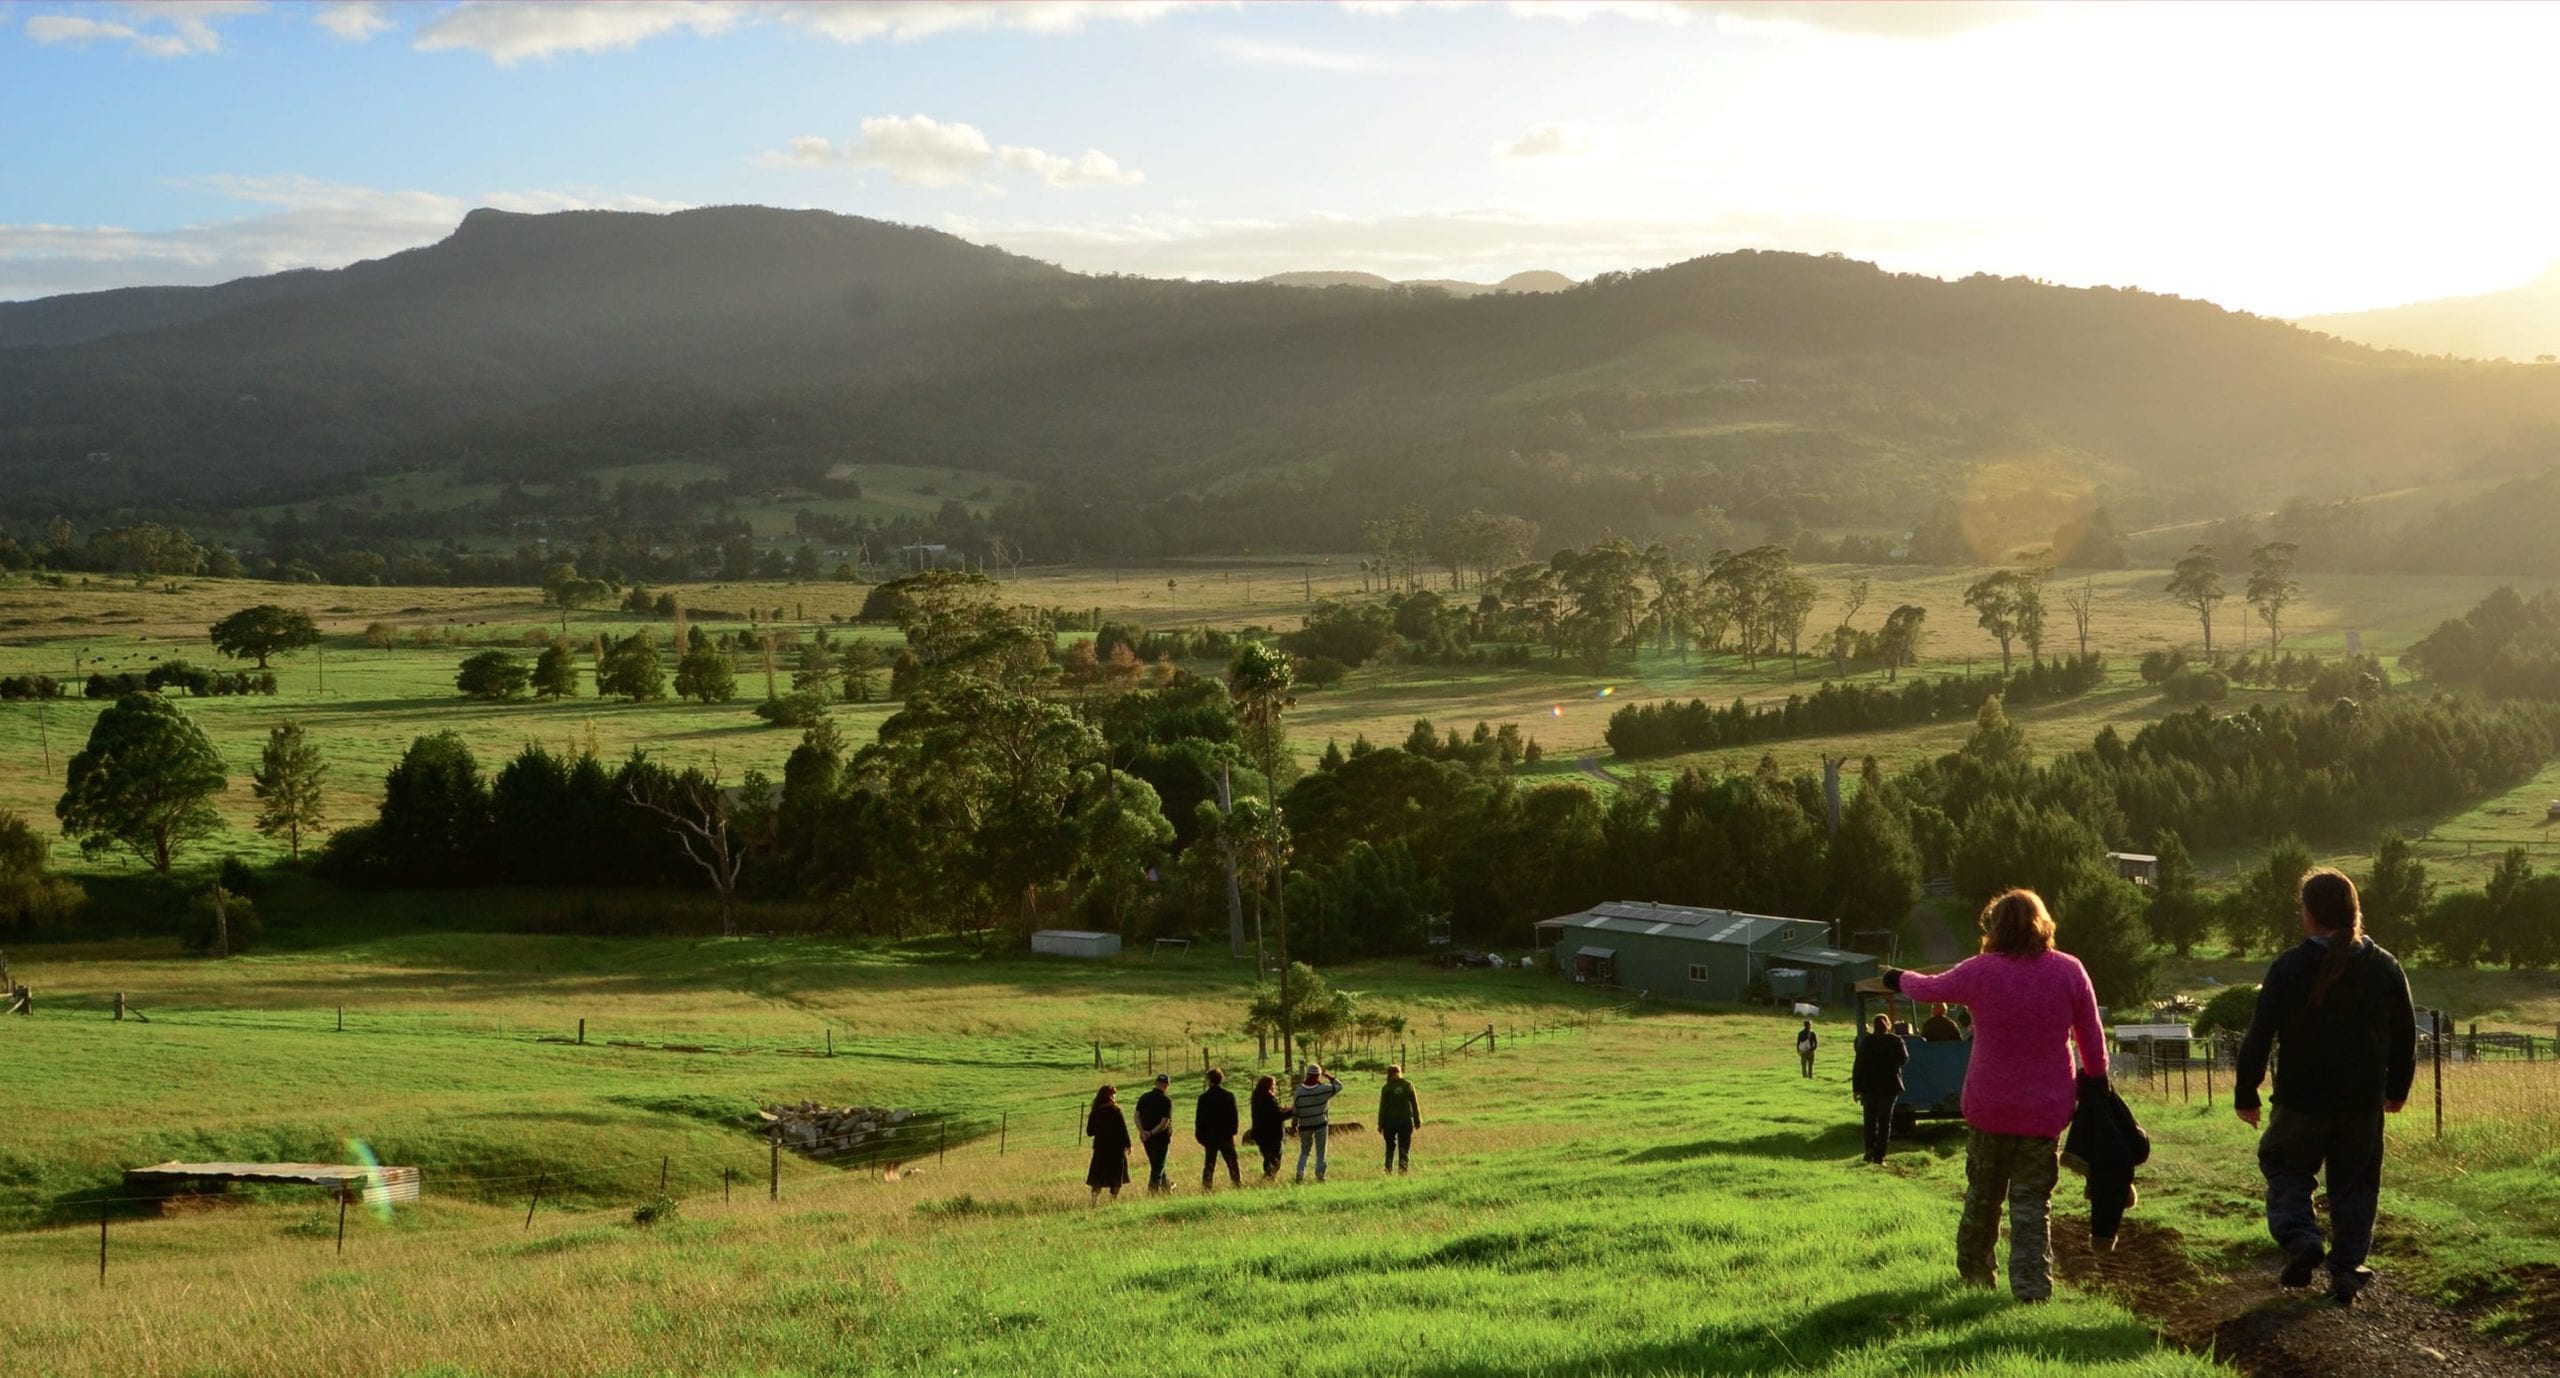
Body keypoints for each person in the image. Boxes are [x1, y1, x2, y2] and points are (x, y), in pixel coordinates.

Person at [1863, 888, 2108, 1303]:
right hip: (2045, 1112)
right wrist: (2098, 1083)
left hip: (1989, 1108)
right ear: (2042, 923)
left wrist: (1895, 978)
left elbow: (1929, 988)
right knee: (2033, 1205)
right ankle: (2032, 1290)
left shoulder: (1981, 971)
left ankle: (1976, 1280)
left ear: (1995, 927)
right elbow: (2091, 1036)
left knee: (1983, 1198)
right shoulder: (2069, 970)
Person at [2234, 868, 2416, 1306]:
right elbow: (2405, 1033)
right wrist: (2398, 1087)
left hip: (2302, 1099)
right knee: (2355, 1185)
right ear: (2355, 912)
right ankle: (2347, 1272)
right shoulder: (2384, 966)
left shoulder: (2291, 966)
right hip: (2362, 1101)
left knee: (2284, 1166)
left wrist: (2247, 1091)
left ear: (2311, 914)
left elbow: (2261, 1033)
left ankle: (2301, 1238)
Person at [1851, 1013, 1909, 1164]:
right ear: (1888, 1025)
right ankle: (1879, 1156)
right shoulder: (1896, 1041)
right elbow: (1904, 1060)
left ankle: (1869, 1150)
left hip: (1869, 1087)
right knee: (1884, 1122)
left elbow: (1858, 1065)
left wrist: (1856, 1088)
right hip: (1889, 1087)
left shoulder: (1866, 1041)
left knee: (1869, 1120)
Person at [1292, 1063, 1342, 1183]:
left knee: (1305, 1151)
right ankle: (1320, 1175)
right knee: (1321, 1151)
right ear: (1318, 1075)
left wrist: (1294, 1124)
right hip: (1321, 1124)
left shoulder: (1299, 1090)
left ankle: (1300, 1172)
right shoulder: (1324, 1089)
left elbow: (1296, 1109)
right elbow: (1339, 1086)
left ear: (1307, 1075)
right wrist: (1329, 1076)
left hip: (1304, 1125)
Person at [1195, 1068, 1242, 1189]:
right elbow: (1234, 1116)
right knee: (1232, 1162)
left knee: (1209, 1164)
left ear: (1209, 1081)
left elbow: (1199, 1119)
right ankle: (1237, 1183)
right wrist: (1232, 1131)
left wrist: (1200, 1136)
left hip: (1209, 1137)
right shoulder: (1228, 1096)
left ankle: (1206, 1187)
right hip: (1226, 1135)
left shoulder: (1203, 1098)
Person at [1085, 1085, 1130, 1204]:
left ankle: (1094, 1201)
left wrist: (1100, 1129)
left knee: (1098, 1177)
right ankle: (1112, 1201)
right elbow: (1123, 1129)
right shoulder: (1116, 1111)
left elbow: (1089, 1132)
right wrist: (1128, 1144)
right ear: (1109, 1096)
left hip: (1101, 1148)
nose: (1115, 1097)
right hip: (1116, 1148)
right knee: (1116, 1176)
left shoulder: (1095, 1112)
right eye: (1114, 1095)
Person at [1377, 1064, 1422, 1173]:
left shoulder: (1387, 1088)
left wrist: (1380, 1124)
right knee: (1404, 1147)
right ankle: (1403, 1170)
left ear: (1389, 1074)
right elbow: (1415, 1105)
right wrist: (1417, 1121)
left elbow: (1383, 1107)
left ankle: (1388, 1169)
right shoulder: (1408, 1085)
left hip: (1389, 1122)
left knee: (1390, 1147)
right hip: (1405, 1121)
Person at [1135, 1073, 1175, 1193]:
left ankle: (1167, 1188)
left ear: (1155, 1083)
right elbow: (1164, 1122)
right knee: (1158, 1167)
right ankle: (1152, 1192)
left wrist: (1143, 1132)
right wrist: (1151, 1133)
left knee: (1156, 1164)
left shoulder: (1144, 1097)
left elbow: (1136, 1116)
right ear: (1167, 1086)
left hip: (1147, 1139)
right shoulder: (1166, 1101)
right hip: (1161, 1139)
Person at [1248, 1074, 1288, 1179]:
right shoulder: (1269, 1100)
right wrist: (1292, 1111)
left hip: (1260, 1134)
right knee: (1275, 1160)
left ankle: (1267, 1178)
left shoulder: (1257, 1098)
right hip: (1272, 1135)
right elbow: (1278, 1117)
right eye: (1273, 1085)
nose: (1274, 1087)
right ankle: (1268, 1178)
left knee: (1268, 1158)